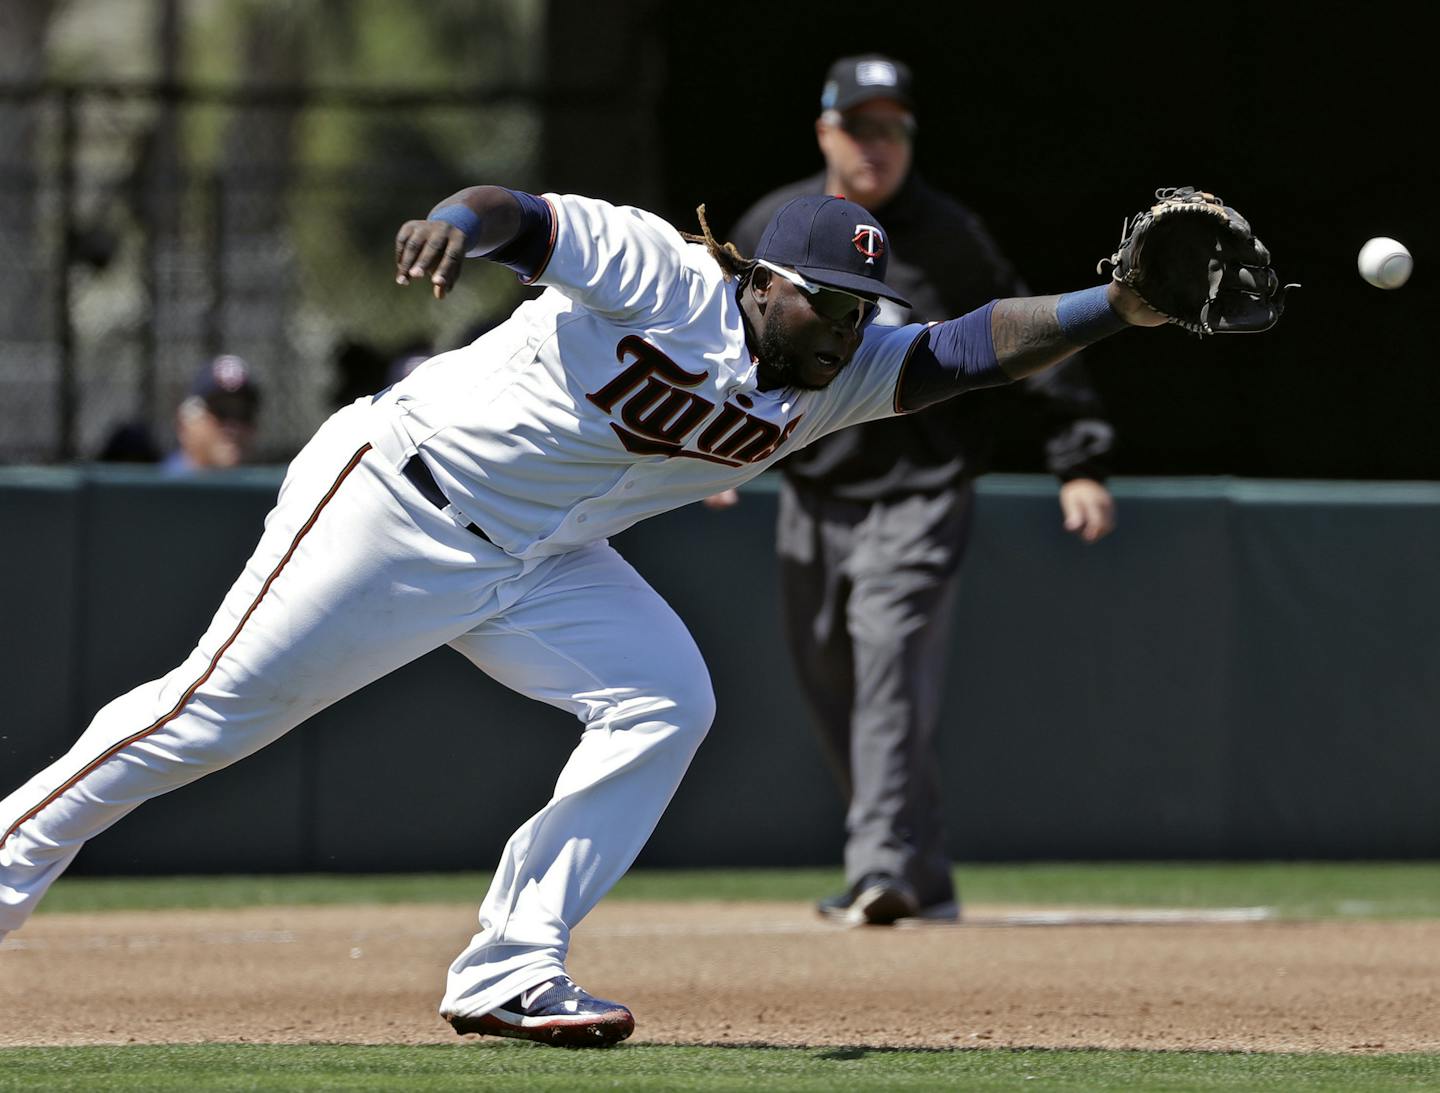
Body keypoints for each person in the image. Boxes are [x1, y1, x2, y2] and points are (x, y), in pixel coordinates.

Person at [0, 179, 1173, 1048]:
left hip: (540, 553)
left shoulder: (849, 366)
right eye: (829, 303)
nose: (850, 327)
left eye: (865, 308)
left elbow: (972, 347)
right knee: (200, 719)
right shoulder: (662, 273)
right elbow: (524, 217)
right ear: (764, 281)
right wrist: (460, 227)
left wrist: (1120, 304)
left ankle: (508, 965)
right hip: (395, 500)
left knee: (666, 698)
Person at [721, 55, 1117, 926]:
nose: (877, 144)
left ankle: (881, 869)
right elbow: (720, 336)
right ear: (826, 131)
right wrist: (709, 443)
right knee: (831, 680)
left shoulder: (944, 234)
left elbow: (1019, 331)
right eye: (860, 127)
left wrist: (1078, 454)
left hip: (918, 490)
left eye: (893, 127)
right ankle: (919, 871)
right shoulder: (775, 227)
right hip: (815, 491)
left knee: (890, 670)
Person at [162, 353, 264, 472]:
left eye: (244, 414)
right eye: (221, 412)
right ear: (184, 424)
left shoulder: (268, 487)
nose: (233, 427)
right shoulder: (157, 488)